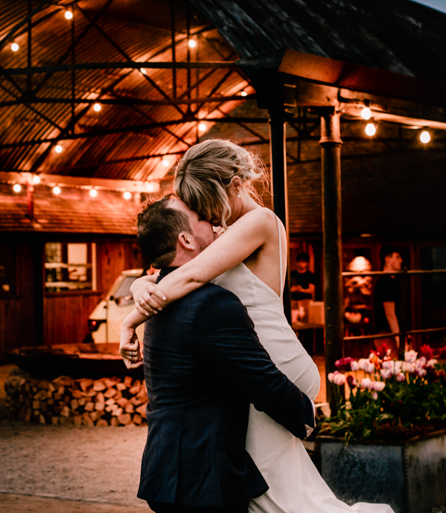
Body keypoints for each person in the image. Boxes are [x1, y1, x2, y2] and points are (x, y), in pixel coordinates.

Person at [121, 139, 393, 513]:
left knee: (276, 498)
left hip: (274, 365)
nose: (207, 214)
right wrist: (141, 284)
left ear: (234, 184)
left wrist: (131, 320)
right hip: (256, 368)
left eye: (206, 201)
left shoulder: (261, 222)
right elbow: (174, 270)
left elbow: (190, 275)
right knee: (278, 490)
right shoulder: (224, 233)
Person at [135, 195, 316, 513]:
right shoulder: (211, 304)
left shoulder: (157, 298)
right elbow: (262, 381)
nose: (214, 222)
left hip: (167, 471)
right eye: (201, 218)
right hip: (204, 481)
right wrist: (310, 417)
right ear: (186, 239)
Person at [372, 246, 403, 351]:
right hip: (387, 335)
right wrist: (398, 338)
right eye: (397, 257)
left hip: (390, 333)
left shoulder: (388, 281)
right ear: (387, 259)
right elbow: (390, 314)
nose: (401, 260)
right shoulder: (387, 282)